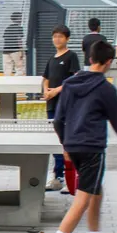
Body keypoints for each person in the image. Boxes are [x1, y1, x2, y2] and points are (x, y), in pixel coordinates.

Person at [39, 40, 117, 233]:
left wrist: (65, 144)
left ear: (89, 59)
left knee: (96, 190)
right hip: (92, 148)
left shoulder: (69, 84)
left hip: (73, 145)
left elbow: (58, 120)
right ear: (108, 62)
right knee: (83, 198)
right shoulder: (107, 90)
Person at [41, 25, 82, 192]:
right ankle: (57, 176)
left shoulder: (71, 56)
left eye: (60, 37)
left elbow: (74, 79)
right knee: (55, 141)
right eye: (55, 36)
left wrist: (57, 90)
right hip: (51, 105)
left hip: (66, 105)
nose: (57, 40)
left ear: (67, 39)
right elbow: (45, 78)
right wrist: (46, 91)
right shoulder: (52, 58)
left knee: (66, 142)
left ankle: (70, 177)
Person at [2, 11, 26, 77]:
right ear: (18, 18)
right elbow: (19, 40)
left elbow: (5, 39)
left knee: (7, 68)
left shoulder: (7, 28)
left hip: (6, 50)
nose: (21, 19)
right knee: (20, 67)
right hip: (16, 50)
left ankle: (7, 82)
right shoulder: (19, 28)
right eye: (20, 18)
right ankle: (18, 82)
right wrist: (21, 51)